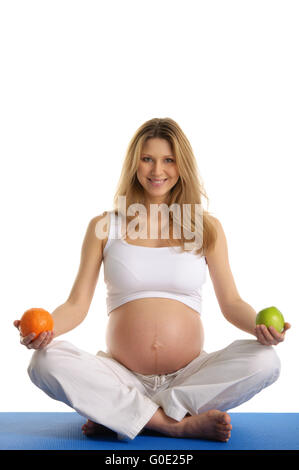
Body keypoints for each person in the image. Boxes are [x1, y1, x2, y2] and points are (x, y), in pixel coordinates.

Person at [14, 118, 291, 442]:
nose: (157, 170)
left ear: (181, 165)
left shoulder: (206, 227)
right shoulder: (105, 226)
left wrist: (264, 331)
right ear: (134, 164)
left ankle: (124, 415)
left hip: (189, 377)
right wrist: (45, 331)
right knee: (44, 362)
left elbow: (231, 303)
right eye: (147, 159)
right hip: (122, 375)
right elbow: (76, 305)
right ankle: (174, 424)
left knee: (265, 361)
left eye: (168, 159)